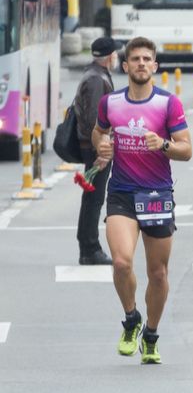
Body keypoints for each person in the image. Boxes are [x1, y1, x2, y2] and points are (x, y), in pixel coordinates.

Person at [93, 37, 193, 364]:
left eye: (146, 59)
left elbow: (186, 149)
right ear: (125, 66)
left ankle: (151, 333)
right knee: (121, 262)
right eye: (134, 59)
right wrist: (102, 146)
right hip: (121, 191)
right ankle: (131, 317)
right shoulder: (110, 102)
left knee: (159, 273)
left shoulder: (168, 104)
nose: (140, 64)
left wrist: (162, 145)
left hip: (157, 194)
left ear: (155, 66)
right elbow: (99, 132)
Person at [75, 36, 117, 265]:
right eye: (115, 54)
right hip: (95, 146)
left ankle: (87, 245)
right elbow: (95, 119)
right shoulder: (96, 80)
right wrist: (101, 149)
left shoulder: (94, 75)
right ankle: (90, 248)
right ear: (110, 56)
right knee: (94, 197)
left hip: (93, 145)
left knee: (91, 195)